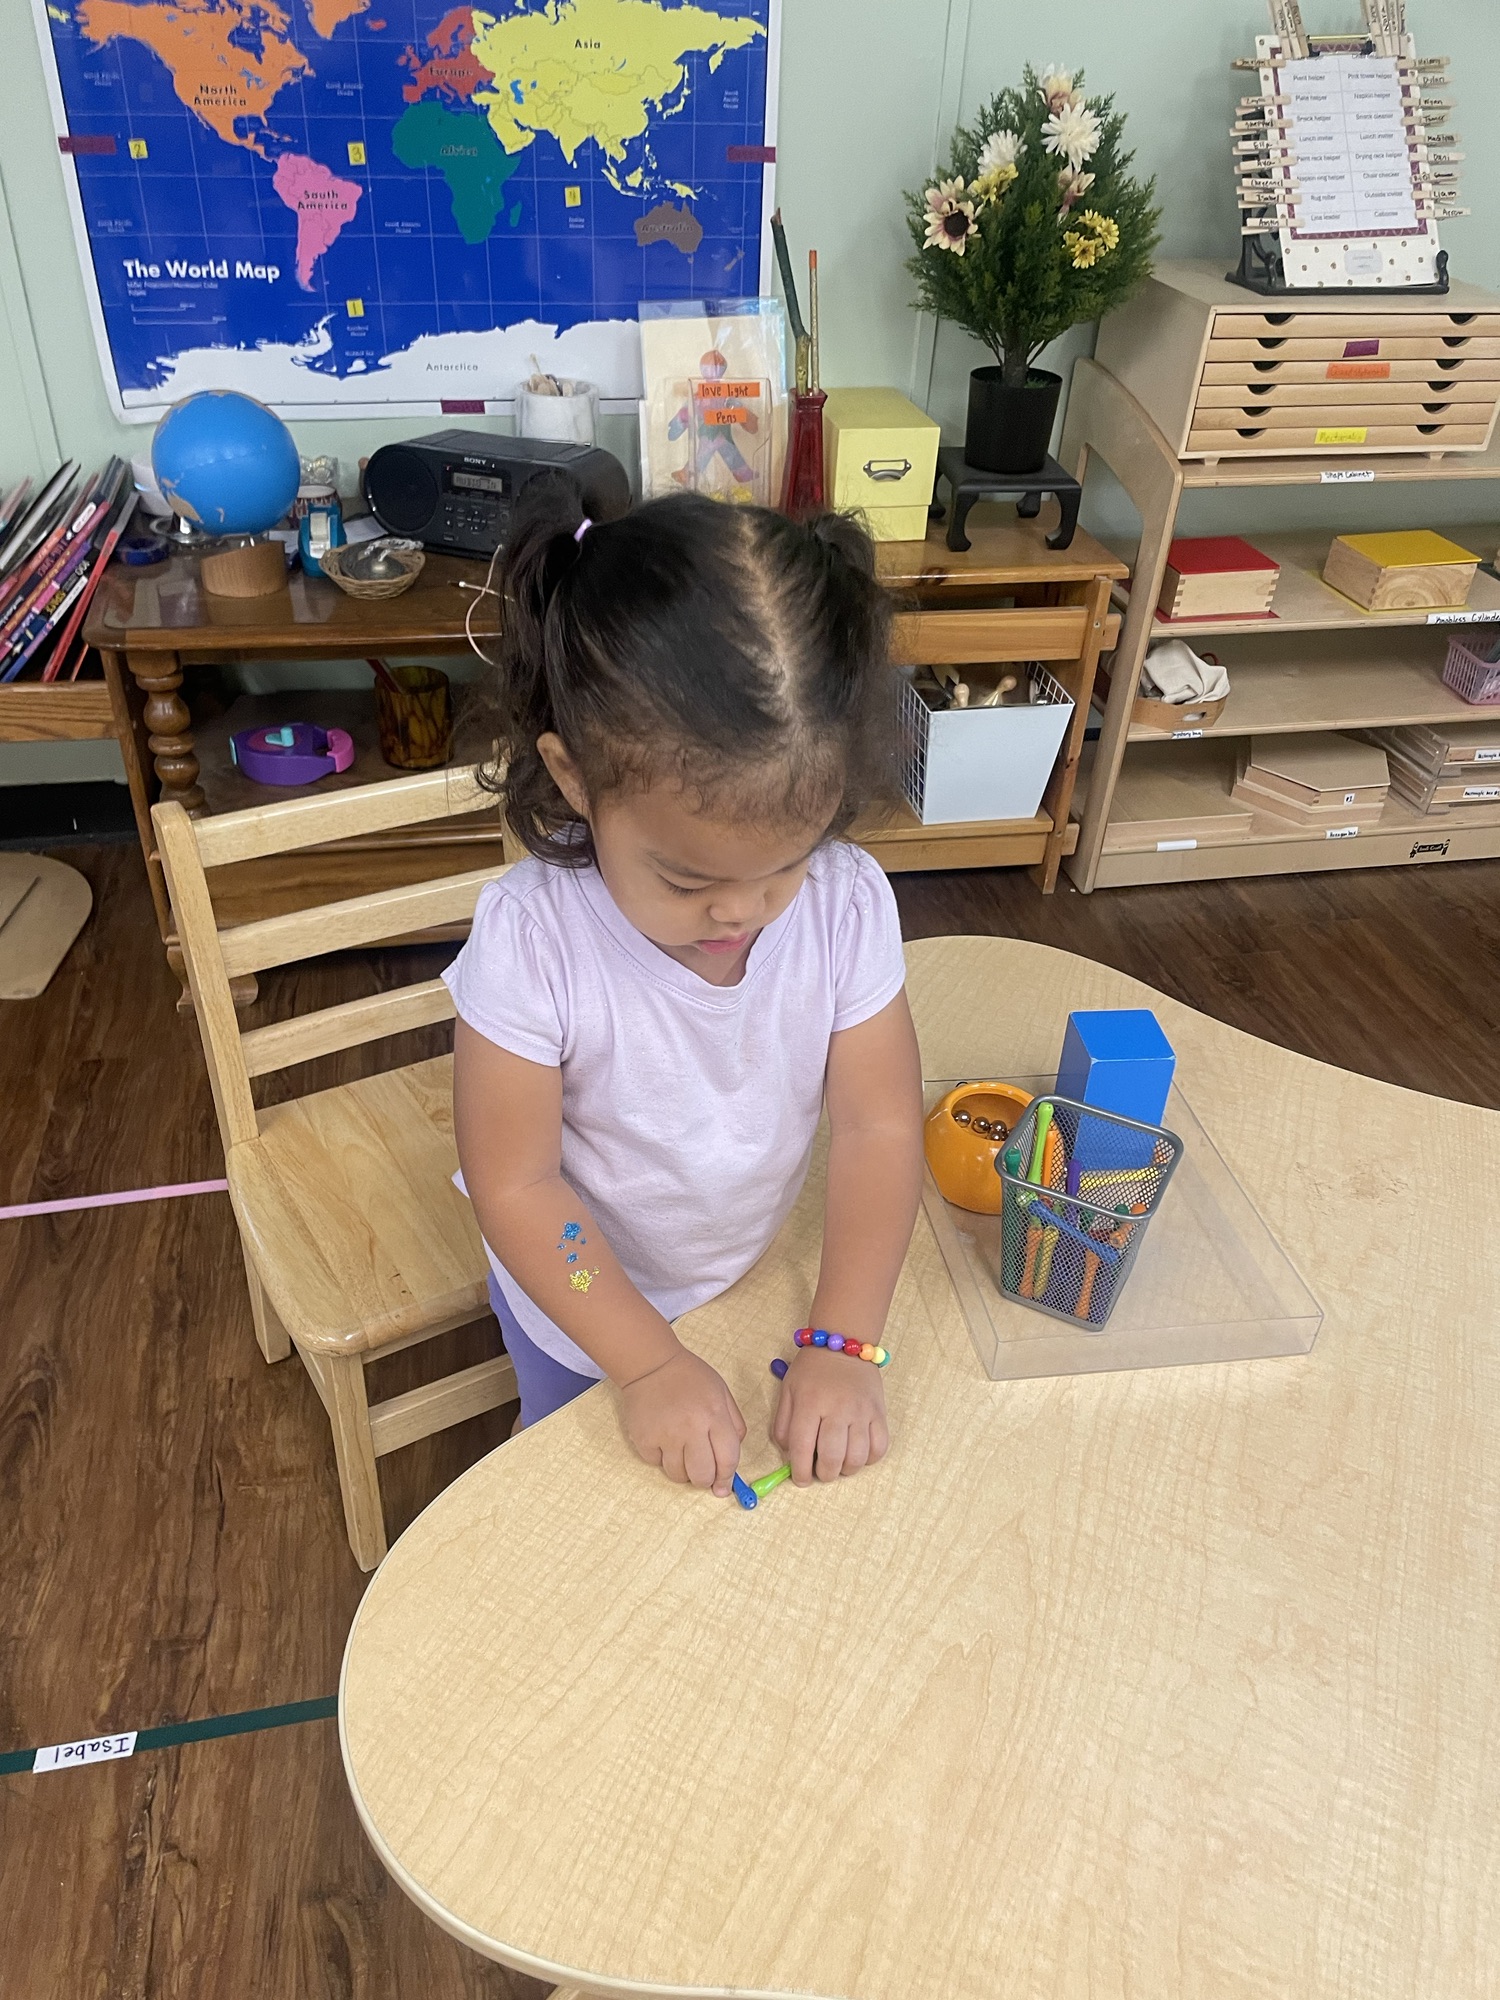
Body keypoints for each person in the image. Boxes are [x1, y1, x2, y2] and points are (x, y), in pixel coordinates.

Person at [446, 474, 923, 1496]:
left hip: (742, 1278)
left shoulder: (845, 903)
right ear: (574, 778)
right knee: (585, 1501)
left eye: (786, 863)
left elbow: (880, 1125)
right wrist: (646, 1364)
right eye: (686, 879)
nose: (740, 912)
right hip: (580, 1303)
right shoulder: (532, 941)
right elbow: (516, 1186)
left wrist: (846, 1339)